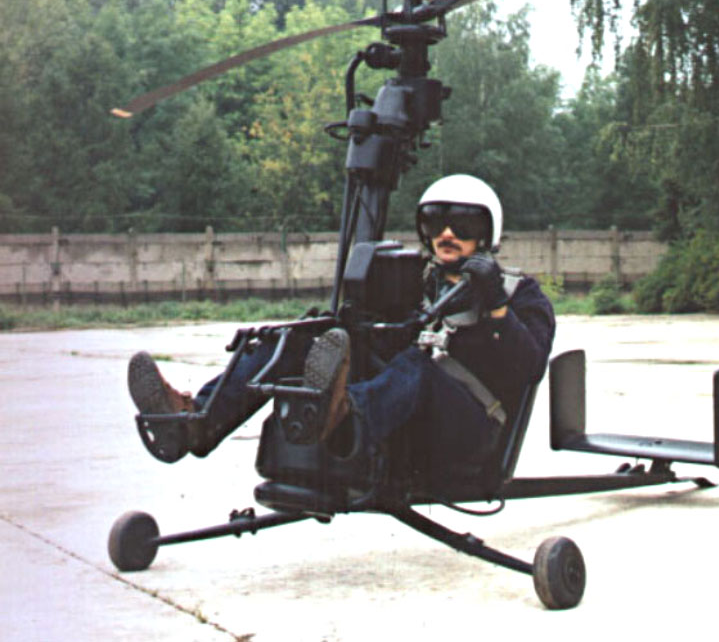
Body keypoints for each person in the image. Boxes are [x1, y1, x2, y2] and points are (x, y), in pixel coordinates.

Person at [128, 174, 555, 473]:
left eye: (461, 224)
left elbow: (531, 368)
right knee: (299, 337)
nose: (447, 233)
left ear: (486, 232)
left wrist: (496, 305)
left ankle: (343, 419)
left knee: (419, 367)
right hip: (406, 422)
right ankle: (196, 422)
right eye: (434, 222)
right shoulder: (413, 283)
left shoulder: (519, 292)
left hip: (470, 431)